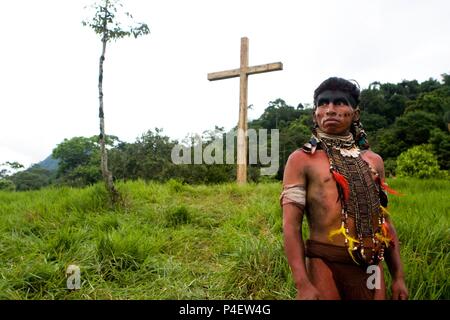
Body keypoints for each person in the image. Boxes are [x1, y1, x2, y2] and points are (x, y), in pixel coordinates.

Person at [280, 77, 408, 300]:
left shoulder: (374, 160)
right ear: (315, 114)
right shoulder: (301, 160)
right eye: (323, 103)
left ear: (355, 113)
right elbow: (291, 225)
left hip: (371, 264)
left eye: (339, 103)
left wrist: (398, 277)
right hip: (325, 261)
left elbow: (384, 222)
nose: (330, 109)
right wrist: (303, 284)